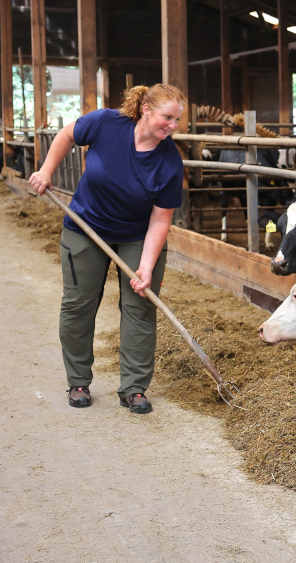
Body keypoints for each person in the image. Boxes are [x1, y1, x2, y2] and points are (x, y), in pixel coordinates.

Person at [29, 83, 186, 414]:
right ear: (146, 109)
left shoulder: (169, 161)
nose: (173, 127)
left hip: (137, 235)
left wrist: (145, 267)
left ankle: (134, 388)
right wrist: (46, 170)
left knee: (140, 307)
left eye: (177, 120)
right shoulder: (105, 123)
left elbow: (160, 220)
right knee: (79, 305)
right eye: (167, 118)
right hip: (85, 229)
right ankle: (78, 381)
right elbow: (66, 136)